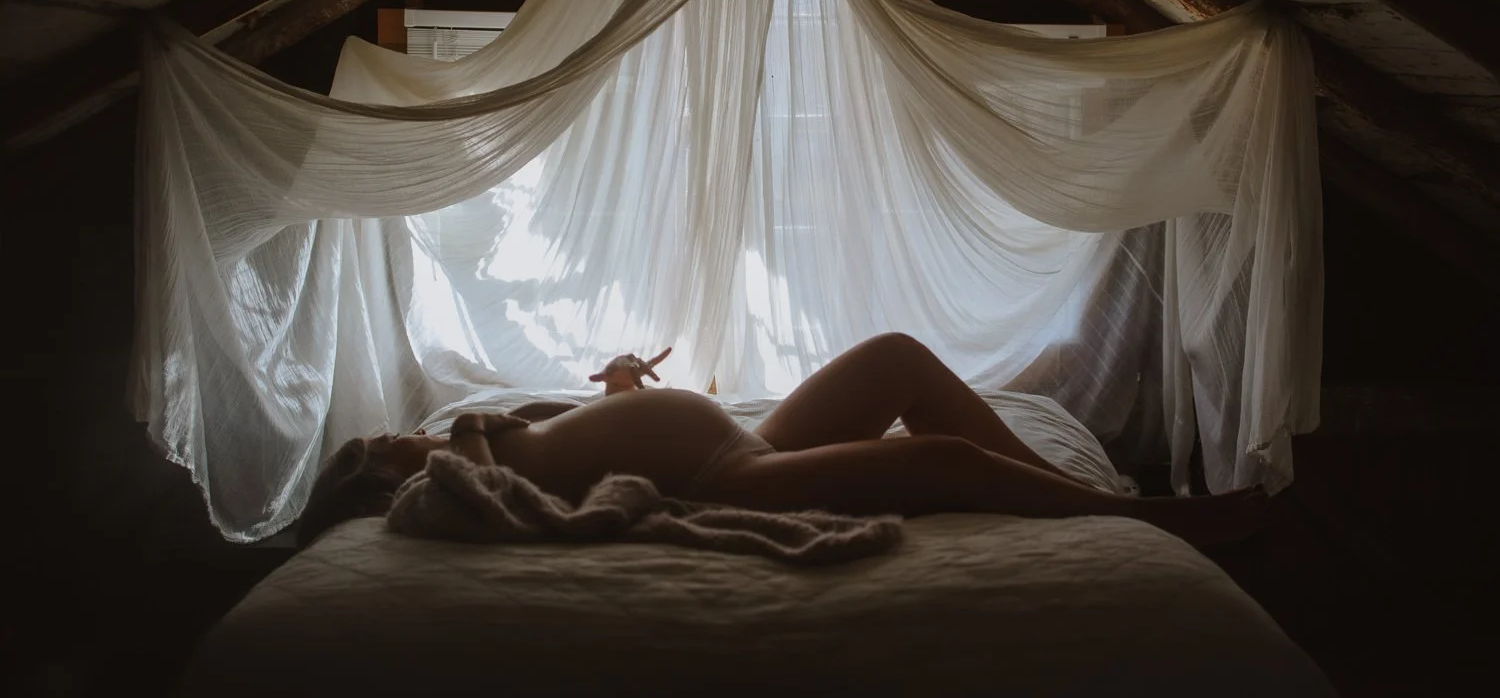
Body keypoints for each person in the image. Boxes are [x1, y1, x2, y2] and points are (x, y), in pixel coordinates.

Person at [296, 332, 1266, 548]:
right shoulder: (453, 485)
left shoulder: (482, 436)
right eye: (386, 440)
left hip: (737, 430)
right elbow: (540, 506)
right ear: (386, 474)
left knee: (896, 358)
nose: (399, 430)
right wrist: (425, 462)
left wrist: (627, 382)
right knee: (944, 465)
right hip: (731, 475)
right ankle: (1152, 523)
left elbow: (578, 432)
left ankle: (1072, 487)